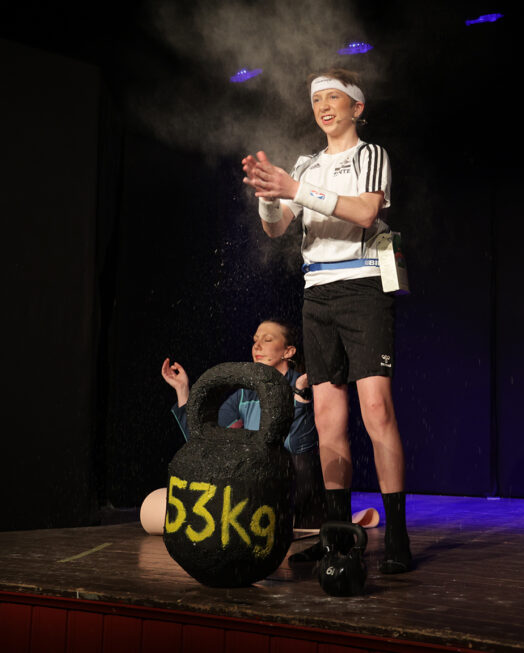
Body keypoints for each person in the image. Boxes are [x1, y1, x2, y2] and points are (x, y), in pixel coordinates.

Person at [240, 68, 412, 573]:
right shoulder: (306, 164)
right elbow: (277, 230)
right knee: (326, 419)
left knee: (376, 410)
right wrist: (269, 198)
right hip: (317, 293)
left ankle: (397, 534)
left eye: (334, 97)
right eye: (317, 99)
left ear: (357, 107)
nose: (323, 106)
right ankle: (337, 535)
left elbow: (365, 213)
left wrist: (294, 188)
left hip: (363, 290)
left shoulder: (370, 155)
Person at [161, 319, 326, 529]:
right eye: (255, 340)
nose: (257, 346)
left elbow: (299, 448)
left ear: (288, 351)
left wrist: (301, 397)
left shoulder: (304, 384)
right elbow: (204, 441)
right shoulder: (244, 394)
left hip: (296, 485)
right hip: (259, 483)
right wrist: (183, 391)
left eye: (267, 340)